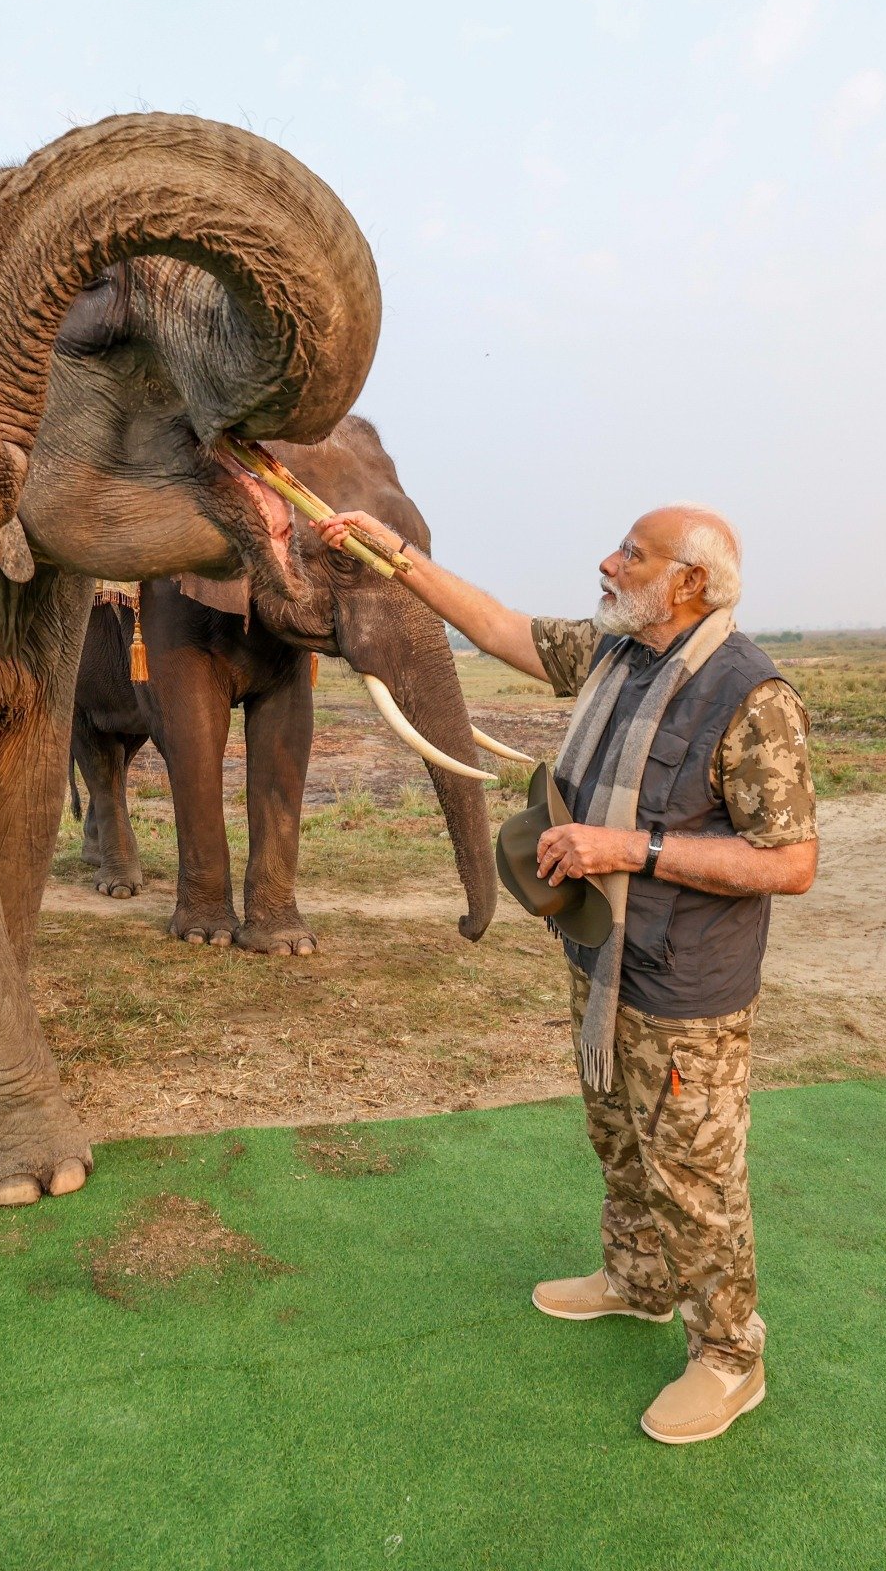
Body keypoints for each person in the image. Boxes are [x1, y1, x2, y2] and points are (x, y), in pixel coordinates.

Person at [314, 502, 817, 1444]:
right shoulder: (615, 653)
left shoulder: (753, 697)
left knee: (694, 1177)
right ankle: (636, 1278)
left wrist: (629, 847)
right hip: (603, 961)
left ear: (690, 583)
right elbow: (500, 626)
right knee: (618, 1133)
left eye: (634, 553)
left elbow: (790, 862)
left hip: (686, 989)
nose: (609, 562)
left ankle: (728, 1356)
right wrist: (397, 560)